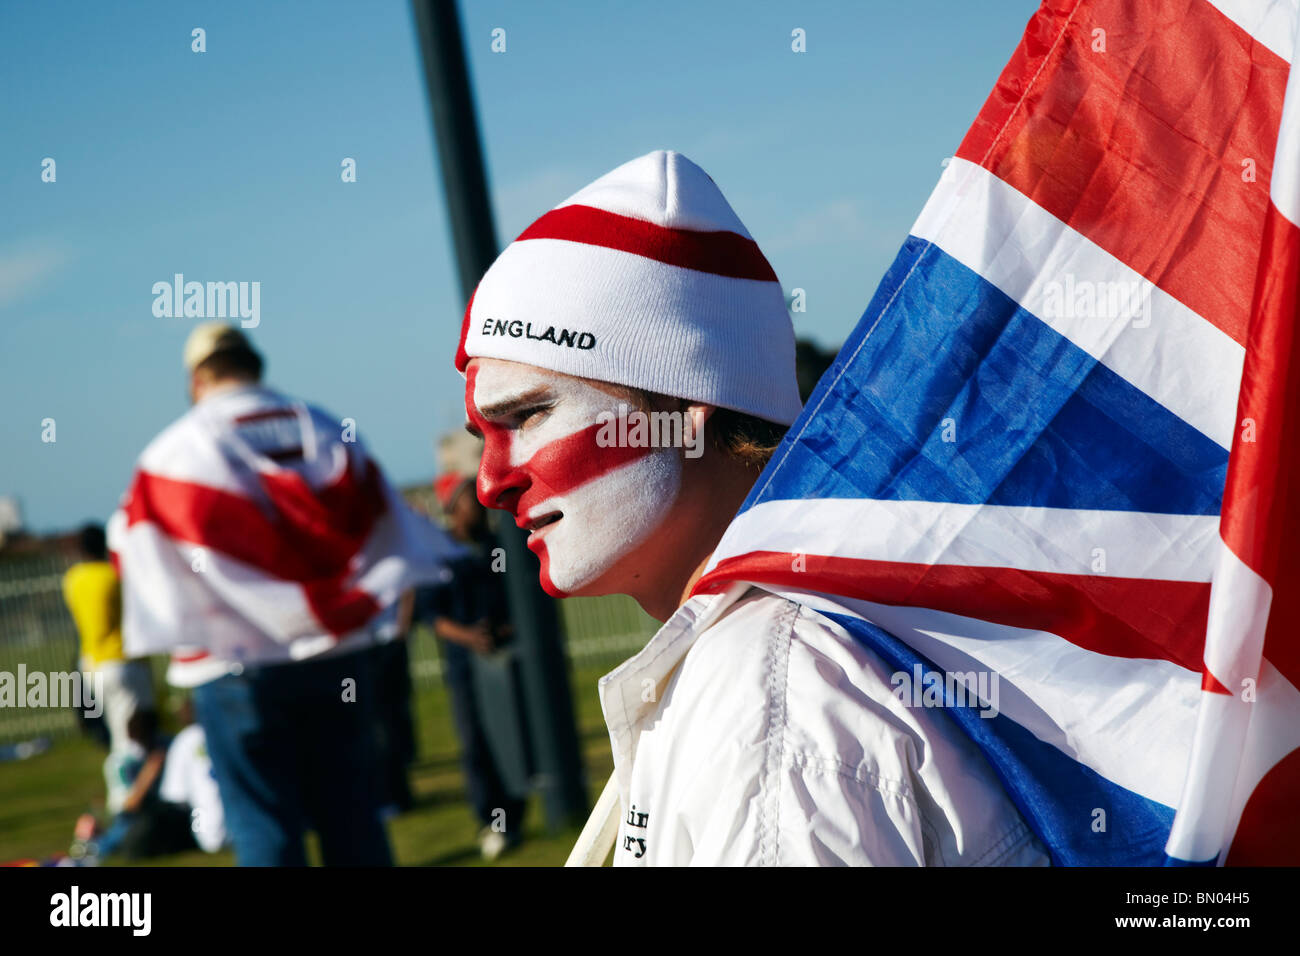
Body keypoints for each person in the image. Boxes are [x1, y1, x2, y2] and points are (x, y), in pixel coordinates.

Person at [456, 150, 1049, 866]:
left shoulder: (769, 697)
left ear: (686, 404)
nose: (491, 482)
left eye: (529, 415)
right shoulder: (772, 648)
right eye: (482, 436)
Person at [109, 322, 455, 866]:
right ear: (254, 363)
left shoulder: (172, 454)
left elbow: (132, 553)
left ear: (198, 378)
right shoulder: (325, 429)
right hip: (338, 653)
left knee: (263, 827)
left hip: (234, 669)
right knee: (353, 817)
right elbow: (383, 524)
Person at [422, 471, 526, 860]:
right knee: (476, 743)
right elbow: (432, 616)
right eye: (468, 499)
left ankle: (518, 813)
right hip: (466, 669)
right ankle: (492, 821)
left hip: (504, 661)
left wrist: (505, 630)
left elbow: (522, 595)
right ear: (452, 507)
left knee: (512, 734)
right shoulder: (440, 554)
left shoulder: (498, 547)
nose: (478, 506)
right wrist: (471, 638)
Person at [62, 523, 155, 754]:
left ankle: (127, 783)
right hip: (124, 660)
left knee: (117, 733)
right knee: (136, 735)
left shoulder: (72, 579)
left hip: (92, 664)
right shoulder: (115, 575)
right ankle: (132, 785)